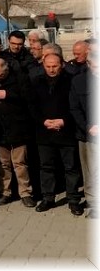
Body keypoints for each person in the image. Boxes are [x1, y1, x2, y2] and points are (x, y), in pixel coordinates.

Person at [30, 53, 83, 214]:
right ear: (43, 66)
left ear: (62, 65)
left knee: (71, 167)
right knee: (46, 167)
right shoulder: (36, 82)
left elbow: (75, 105)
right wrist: (43, 121)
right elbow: (32, 107)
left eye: (55, 66)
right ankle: (48, 198)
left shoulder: (71, 81)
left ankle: (73, 199)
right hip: (44, 132)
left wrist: (63, 121)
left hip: (66, 131)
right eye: (48, 66)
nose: (51, 69)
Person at [0, 58, 35, 207]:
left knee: (20, 163)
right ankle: (5, 192)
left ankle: (25, 192)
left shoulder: (20, 78)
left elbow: (28, 99)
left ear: (6, 71)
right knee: (2, 163)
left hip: (18, 127)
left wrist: (7, 95)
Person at [69, 49, 97, 217]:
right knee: (90, 170)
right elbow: (75, 108)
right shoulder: (78, 81)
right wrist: (88, 127)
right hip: (87, 134)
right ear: (88, 64)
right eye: (95, 67)